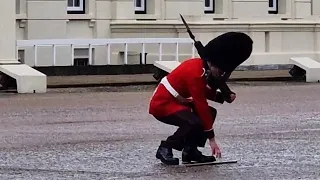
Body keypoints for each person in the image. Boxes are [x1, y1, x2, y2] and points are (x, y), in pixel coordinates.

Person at [148, 32, 253, 165]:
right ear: (213, 64)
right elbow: (201, 104)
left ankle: (190, 150)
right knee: (193, 122)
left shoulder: (203, 68)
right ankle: (166, 147)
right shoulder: (196, 72)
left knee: (211, 113)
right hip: (162, 104)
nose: (221, 75)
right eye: (221, 72)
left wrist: (222, 97)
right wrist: (212, 139)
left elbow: (202, 91)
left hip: (178, 101)